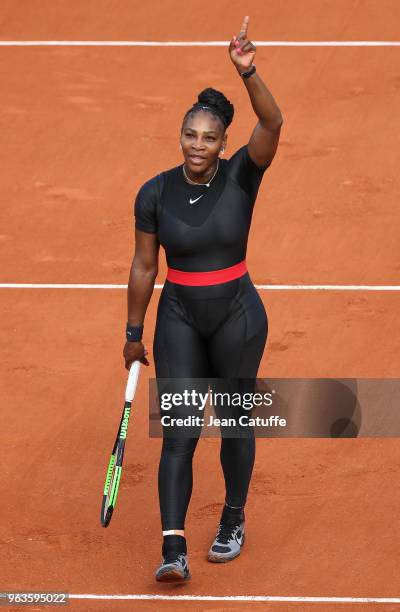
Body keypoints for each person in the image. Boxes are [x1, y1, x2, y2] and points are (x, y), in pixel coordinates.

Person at [123, 15, 282, 582]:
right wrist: (133, 333)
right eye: (190, 134)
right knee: (180, 433)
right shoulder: (155, 191)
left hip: (238, 317)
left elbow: (272, 120)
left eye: (209, 138)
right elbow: (145, 265)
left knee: (236, 422)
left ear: (222, 144)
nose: (198, 145)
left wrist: (248, 71)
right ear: (181, 135)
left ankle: (233, 520)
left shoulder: (242, 174)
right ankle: (173, 548)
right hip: (180, 318)